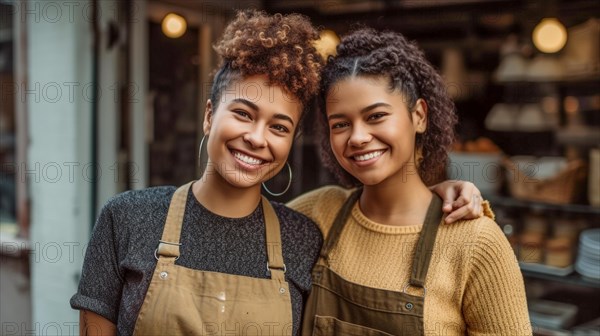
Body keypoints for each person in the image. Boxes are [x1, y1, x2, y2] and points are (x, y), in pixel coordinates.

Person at [70, 10, 485, 336]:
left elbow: (389, 221)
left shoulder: (305, 235)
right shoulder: (127, 218)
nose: (256, 137)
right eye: (243, 114)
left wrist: (444, 191)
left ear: (290, 143)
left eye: (279, 127)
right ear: (209, 115)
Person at [288, 28, 532, 335]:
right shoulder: (319, 213)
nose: (358, 137)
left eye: (376, 116)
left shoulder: (474, 242)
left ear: (419, 116)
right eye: (341, 124)